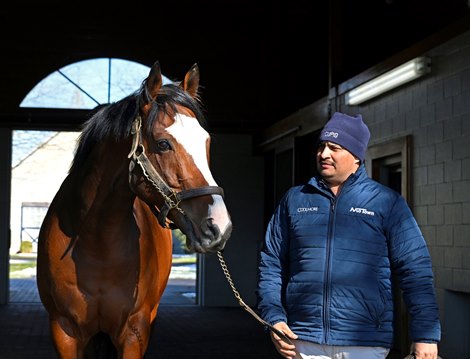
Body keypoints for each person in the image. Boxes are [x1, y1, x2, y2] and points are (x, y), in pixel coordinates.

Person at [256, 112, 441, 359]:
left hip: (363, 342)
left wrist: (425, 335)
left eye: (334, 147)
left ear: (356, 156)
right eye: (321, 146)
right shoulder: (295, 199)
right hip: (302, 339)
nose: (324, 154)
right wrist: (273, 317)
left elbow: (415, 270)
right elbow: (271, 263)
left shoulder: (386, 202)